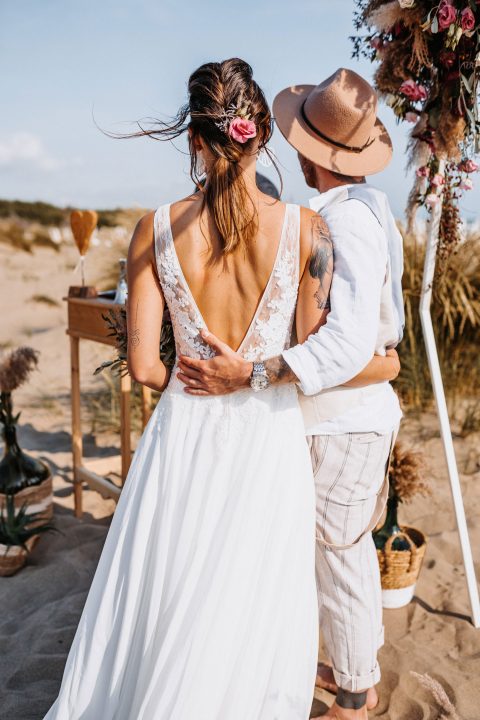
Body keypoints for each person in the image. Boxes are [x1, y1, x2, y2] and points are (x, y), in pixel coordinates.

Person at [42, 59, 396, 720]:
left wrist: (193, 365)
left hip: (184, 436)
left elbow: (146, 369)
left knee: (167, 591)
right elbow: (311, 350)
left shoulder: (154, 229)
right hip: (266, 438)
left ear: (195, 143)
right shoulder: (309, 232)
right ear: (260, 135)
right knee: (248, 599)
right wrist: (255, 373)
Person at [178, 68, 404, 720]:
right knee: (330, 555)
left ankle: (357, 696)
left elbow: (346, 345)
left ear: (313, 153)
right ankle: (351, 668)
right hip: (339, 416)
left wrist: (247, 374)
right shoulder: (358, 211)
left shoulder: (346, 225)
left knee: (339, 558)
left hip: (344, 421)